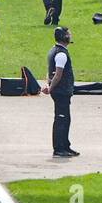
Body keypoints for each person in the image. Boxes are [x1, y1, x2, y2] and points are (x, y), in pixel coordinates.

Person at [44, 26, 79, 157]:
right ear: (65, 37)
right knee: (61, 120)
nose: (70, 36)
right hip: (61, 92)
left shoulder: (54, 50)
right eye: (69, 34)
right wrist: (50, 88)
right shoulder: (61, 54)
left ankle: (65, 146)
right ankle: (59, 148)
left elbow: (50, 71)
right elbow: (58, 74)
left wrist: (48, 85)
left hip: (61, 91)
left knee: (65, 119)